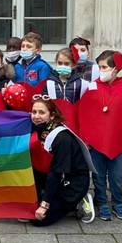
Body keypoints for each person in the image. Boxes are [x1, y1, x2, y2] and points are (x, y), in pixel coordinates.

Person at [79, 51, 122, 221]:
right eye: (99, 67)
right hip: (96, 141)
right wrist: (85, 139)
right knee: (98, 174)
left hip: (118, 141)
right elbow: (83, 113)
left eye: (105, 67)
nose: (101, 70)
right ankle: (101, 201)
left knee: (117, 176)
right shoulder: (93, 87)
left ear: (116, 69)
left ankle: (118, 202)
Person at [31, 97, 95, 226]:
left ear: (52, 115)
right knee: (27, 211)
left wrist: (44, 205)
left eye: (42, 113)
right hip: (50, 176)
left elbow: (56, 172)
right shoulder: (38, 128)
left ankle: (80, 200)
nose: (36, 116)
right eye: (34, 112)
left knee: (38, 220)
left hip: (71, 182)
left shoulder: (62, 138)